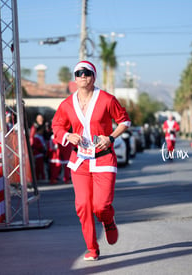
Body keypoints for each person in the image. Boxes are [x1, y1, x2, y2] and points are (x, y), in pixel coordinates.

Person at [52, 60, 131, 261]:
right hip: (79, 161)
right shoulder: (67, 104)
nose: (82, 76)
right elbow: (57, 126)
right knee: (83, 205)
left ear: (93, 77)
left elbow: (124, 121)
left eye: (87, 73)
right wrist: (67, 136)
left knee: (101, 205)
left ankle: (108, 219)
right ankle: (92, 249)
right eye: (78, 73)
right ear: (75, 78)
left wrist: (111, 137)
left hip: (104, 159)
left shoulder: (106, 99)